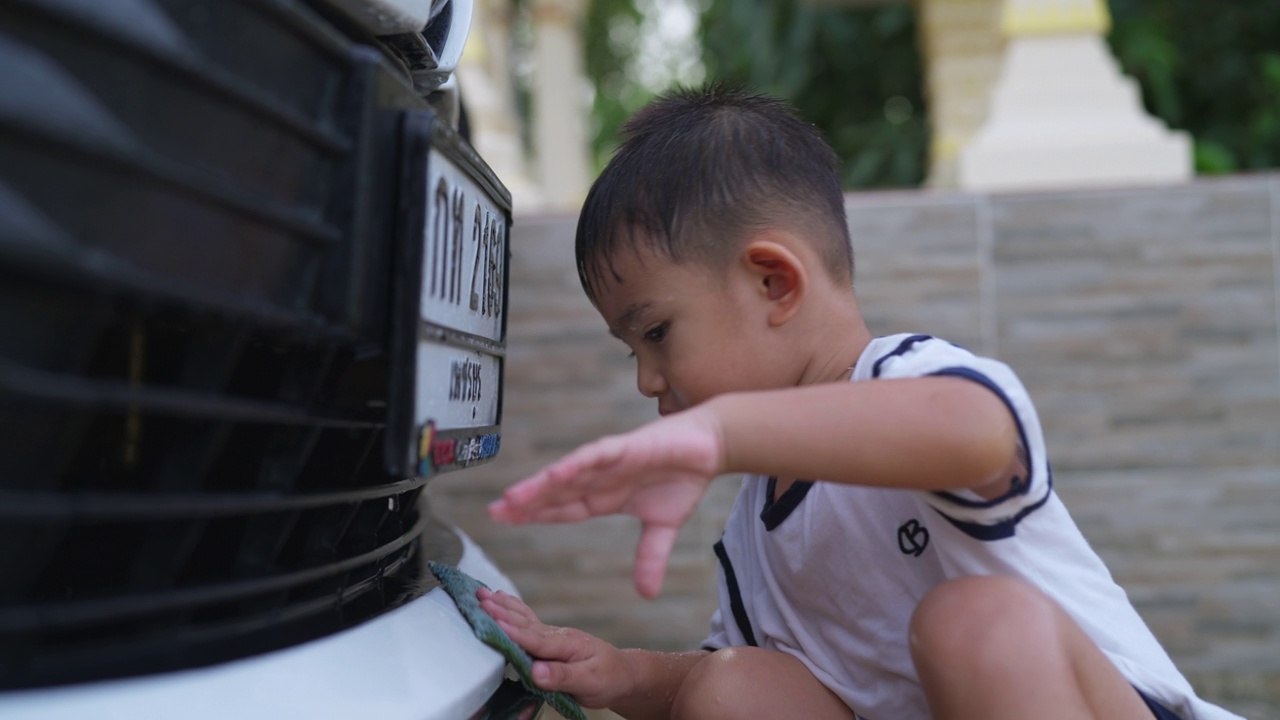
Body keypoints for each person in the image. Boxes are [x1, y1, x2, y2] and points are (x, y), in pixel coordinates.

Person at [481, 85, 1242, 720]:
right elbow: (717, 682)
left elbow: (974, 434)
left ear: (774, 281)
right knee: (733, 689)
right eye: (632, 350)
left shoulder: (909, 379)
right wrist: (626, 673)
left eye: (656, 332)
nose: (647, 379)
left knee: (975, 624)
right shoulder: (755, 535)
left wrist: (723, 430)